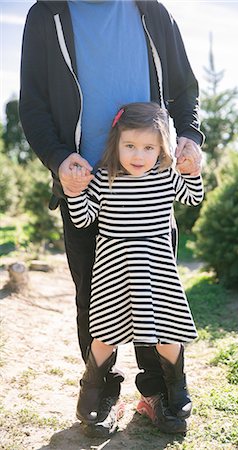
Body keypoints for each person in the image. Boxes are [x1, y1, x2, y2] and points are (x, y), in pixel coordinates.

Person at [19, 0, 205, 437]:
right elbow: (34, 105)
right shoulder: (47, 15)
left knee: (154, 291)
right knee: (95, 295)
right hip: (84, 182)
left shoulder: (150, 12)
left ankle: (159, 392)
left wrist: (191, 141)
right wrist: (60, 158)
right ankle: (101, 393)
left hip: (152, 193)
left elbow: (185, 91)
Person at [67, 101, 204, 433]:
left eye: (148, 147)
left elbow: (192, 198)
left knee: (167, 331)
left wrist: (194, 172)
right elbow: (83, 218)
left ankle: (176, 388)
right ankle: (93, 386)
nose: (138, 155)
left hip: (157, 272)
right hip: (114, 272)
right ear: (116, 143)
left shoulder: (165, 176)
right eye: (130, 145)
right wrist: (74, 192)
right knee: (105, 333)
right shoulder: (104, 178)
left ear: (161, 148)